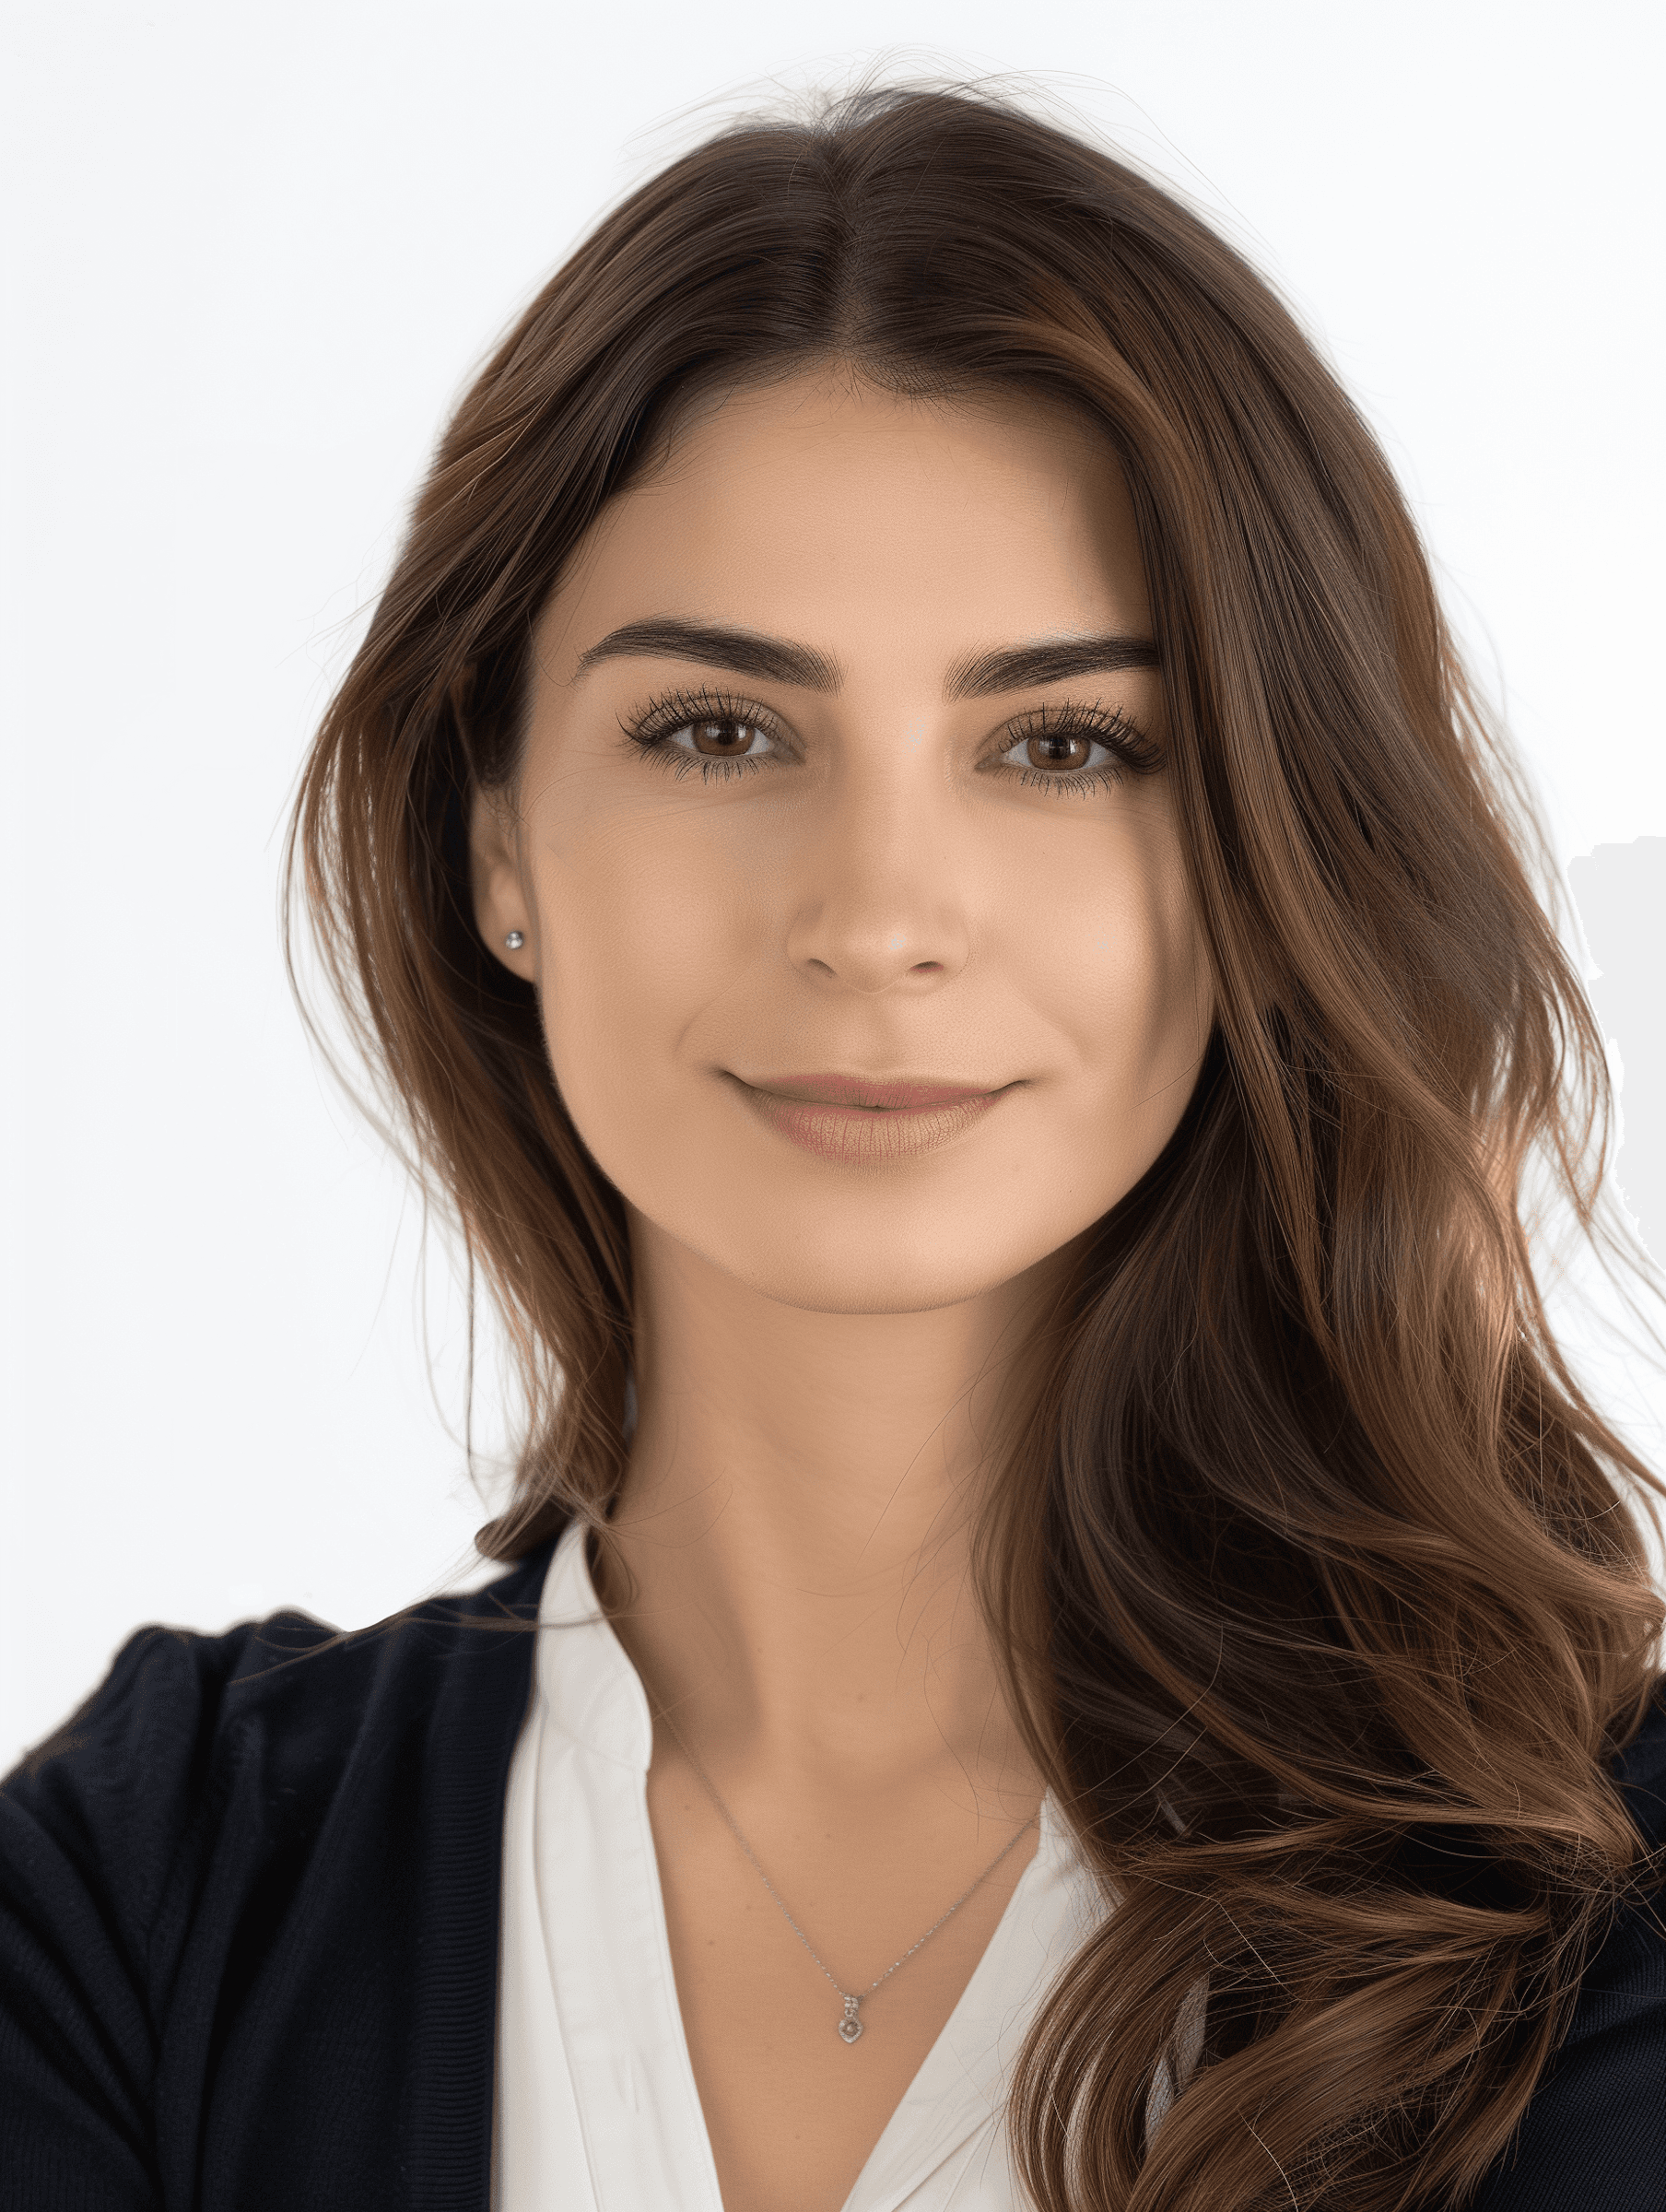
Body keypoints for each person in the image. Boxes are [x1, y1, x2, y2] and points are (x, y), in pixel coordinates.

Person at [4, 80, 1663, 2212]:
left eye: (1062, 745)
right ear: (496, 838)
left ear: (1266, 854)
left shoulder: (1586, 1903)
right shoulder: (150, 1896)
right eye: (718, 731)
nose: (877, 915)